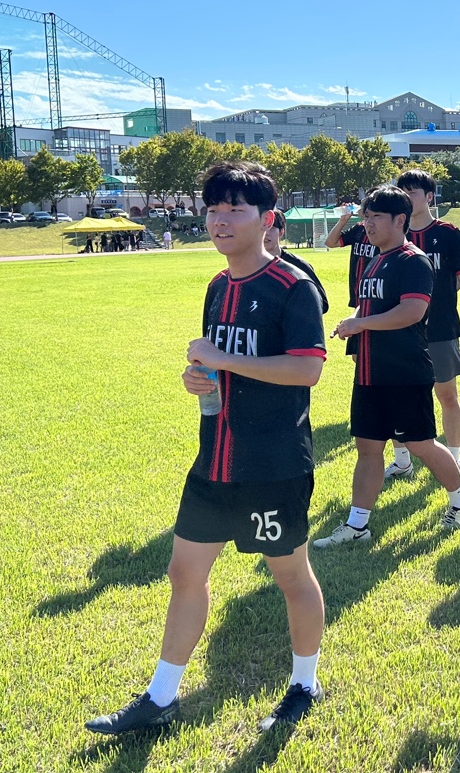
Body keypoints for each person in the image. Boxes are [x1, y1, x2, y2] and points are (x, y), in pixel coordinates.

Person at [85, 161, 330, 736]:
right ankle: (161, 696)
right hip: (214, 460)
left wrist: (225, 361)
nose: (220, 221)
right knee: (183, 571)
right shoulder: (218, 286)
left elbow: (306, 372)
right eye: (213, 208)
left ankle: (304, 682)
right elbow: (216, 369)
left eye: (234, 209)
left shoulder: (293, 288)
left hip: (271, 465)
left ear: (267, 219)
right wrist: (201, 379)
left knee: (290, 575)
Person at [315, 184, 460, 548]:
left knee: (422, 444)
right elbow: (371, 306)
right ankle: (358, 525)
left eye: (375, 217)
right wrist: (353, 319)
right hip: (371, 372)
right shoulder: (375, 259)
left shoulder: (413, 260)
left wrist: (361, 324)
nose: (368, 224)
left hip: (405, 372)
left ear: (399, 220)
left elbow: (413, 311)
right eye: (366, 216)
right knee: (368, 447)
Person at [395, 169, 460, 480]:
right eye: (404, 192)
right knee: (399, 395)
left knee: (447, 396)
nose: (409, 198)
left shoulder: (449, 234)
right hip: (400, 331)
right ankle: (402, 461)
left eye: (414, 192)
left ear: (429, 197)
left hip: (440, 328)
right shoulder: (394, 234)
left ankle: (454, 459)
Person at [324, 200, 378, 312]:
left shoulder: (383, 234)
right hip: (357, 294)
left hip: (375, 297)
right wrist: (343, 220)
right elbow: (330, 242)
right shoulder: (359, 229)